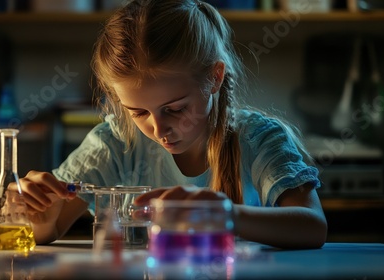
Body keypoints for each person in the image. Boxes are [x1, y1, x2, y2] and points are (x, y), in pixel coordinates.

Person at [19, 0, 327, 249]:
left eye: (175, 108)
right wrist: (40, 217)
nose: (158, 128)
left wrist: (224, 214)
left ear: (214, 78)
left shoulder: (257, 139)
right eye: (138, 112)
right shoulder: (115, 144)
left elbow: (312, 226)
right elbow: (48, 230)